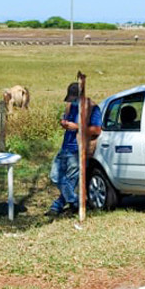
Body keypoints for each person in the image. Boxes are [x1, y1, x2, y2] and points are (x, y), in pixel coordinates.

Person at [47, 81, 103, 216]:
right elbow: (67, 120)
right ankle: (76, 201)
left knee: (70, 180)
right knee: (55, 176)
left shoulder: (93, 108)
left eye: (74, 99)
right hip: (65, 147)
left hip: (78, 149)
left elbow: (97, 129)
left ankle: (58, 206)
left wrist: (77, 127)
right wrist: (64, 123)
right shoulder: (71, 106)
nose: (72, 102)